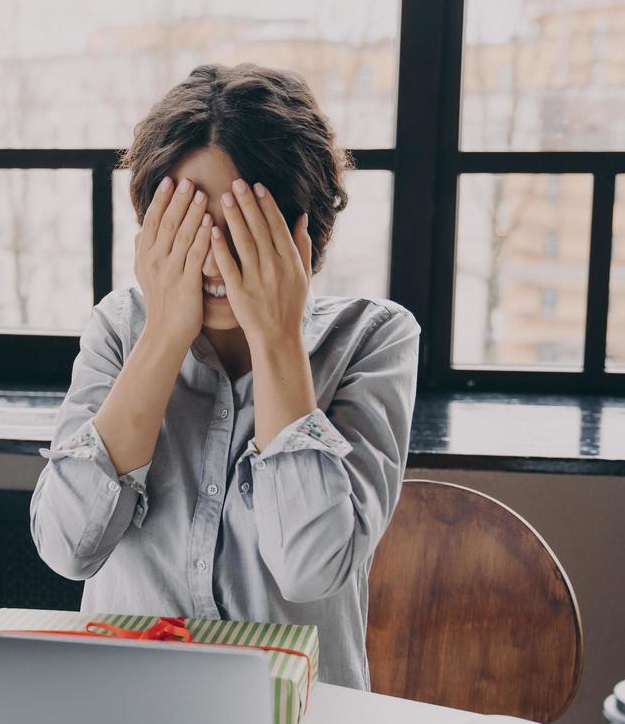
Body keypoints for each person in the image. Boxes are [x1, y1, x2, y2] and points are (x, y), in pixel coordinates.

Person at [29, 63, 419, 690]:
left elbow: (310, 568)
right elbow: (69, 549)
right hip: (127, 708)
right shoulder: (118, 327)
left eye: (242, 224)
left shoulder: (372, 339)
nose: (212, 255)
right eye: (187, 222)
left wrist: (276, 339)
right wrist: (162, 337)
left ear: (302, 228)